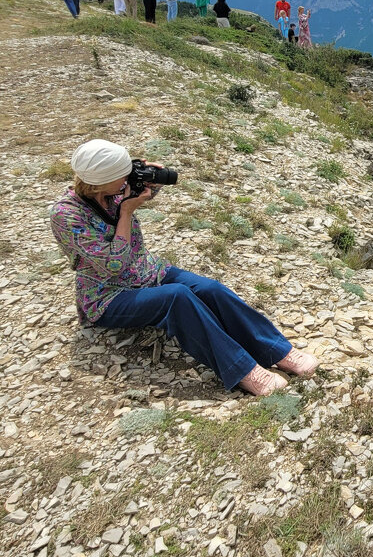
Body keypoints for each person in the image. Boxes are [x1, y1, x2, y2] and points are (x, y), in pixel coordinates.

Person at [49, 139, 320, 395]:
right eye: (122, 176)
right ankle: (243, 370)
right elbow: (114, 263)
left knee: (211, 289)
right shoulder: (67, 215)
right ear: (100, 184)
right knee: (177, 298)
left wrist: (147, 180)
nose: (126, 180)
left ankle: (278, 351)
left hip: (147, 271)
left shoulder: (114, 190)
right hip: (108, 295)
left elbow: (140, 196)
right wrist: (128, 213)